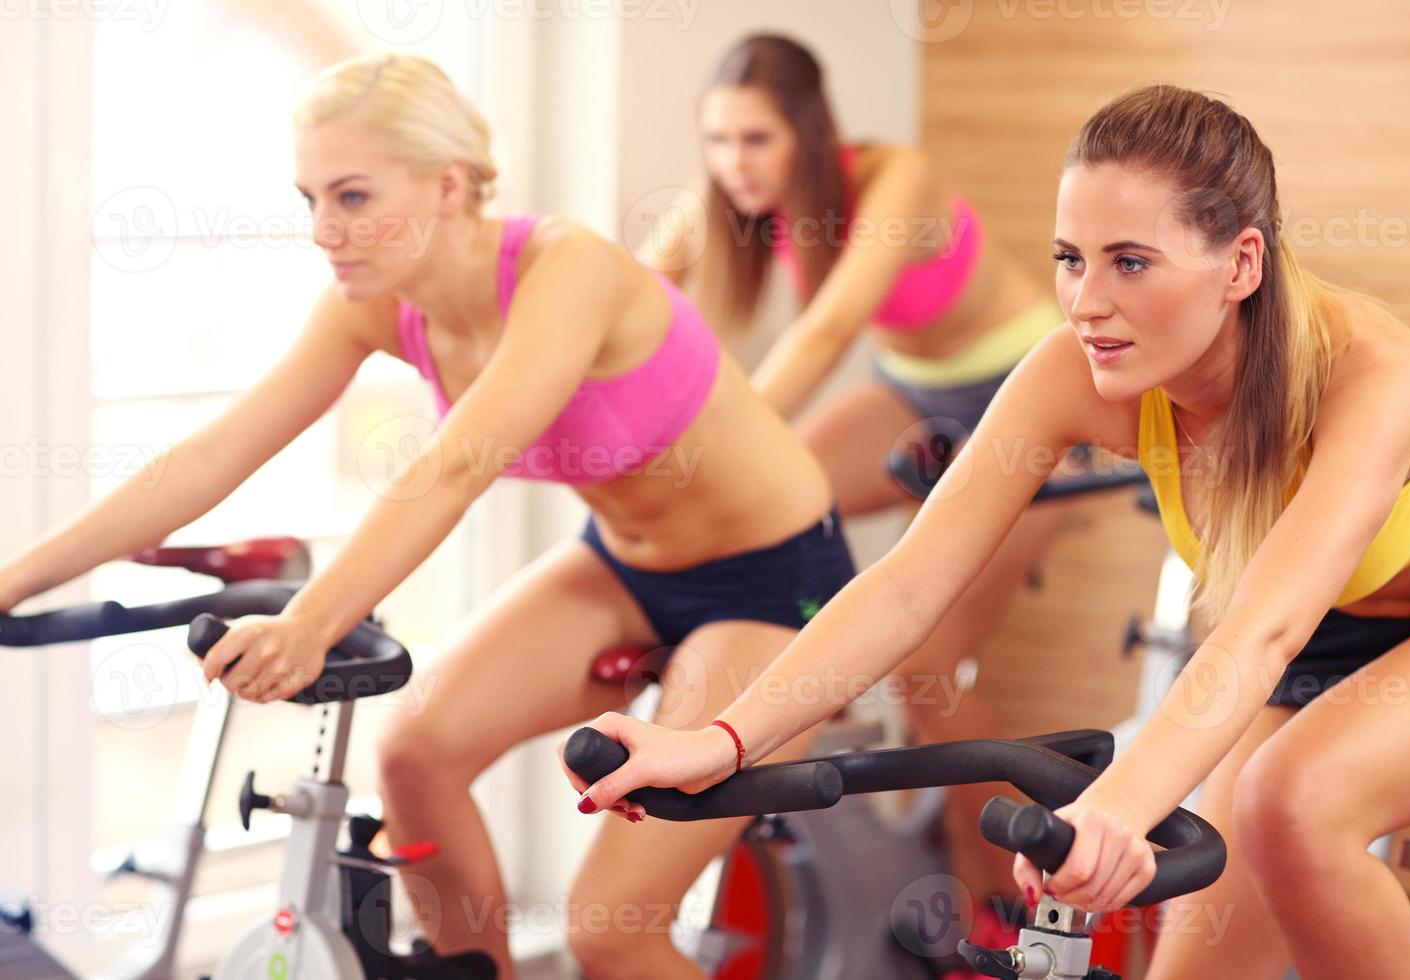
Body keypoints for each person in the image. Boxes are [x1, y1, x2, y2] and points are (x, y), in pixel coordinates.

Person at [566, 84, 1410, 980]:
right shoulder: (1076, 369)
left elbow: (1263, 629)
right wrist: (719, 741)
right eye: (1070, 258)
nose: (1085, 301)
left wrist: (1116, 808)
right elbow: (910, 583)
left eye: (1131, 262)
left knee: (1288, 801)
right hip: (1320, 644)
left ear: (1240, 265)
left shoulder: (1365, 372)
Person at [0, 52, 856, 980]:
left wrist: (310, 624)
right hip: (623, 563)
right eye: (311, 199)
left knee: (611, 931)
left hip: (778, 582)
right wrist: (10, 580)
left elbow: (456, 466)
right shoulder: (374, 305)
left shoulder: (569, 268)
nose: (326, 230)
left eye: (354, 197)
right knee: (414, 751)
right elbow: (212, 453)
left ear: (449, 185)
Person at [638, 33, 1077, 925]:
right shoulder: (732, 191)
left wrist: (728, 435)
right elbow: (633, 288)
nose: (735, 164)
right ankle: (774, 669)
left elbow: (830, 328)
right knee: (775, 504)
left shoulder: (894, 178)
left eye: (756, 139)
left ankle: (1002, 899)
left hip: (1031, 399)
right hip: (913, 394)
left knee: (923, 669)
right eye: (718, 141)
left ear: (806, 130)